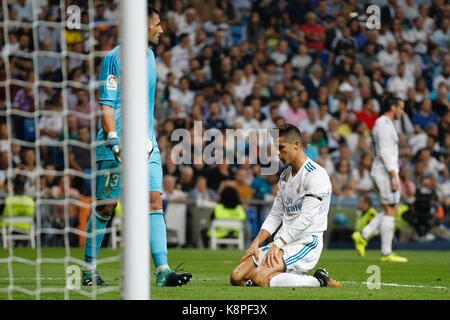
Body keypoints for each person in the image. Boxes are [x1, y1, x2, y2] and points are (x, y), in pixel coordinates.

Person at [81, 6, 192, 287]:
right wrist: (115, 140)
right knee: (106, 207)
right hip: (115, 146)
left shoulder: (150, 55)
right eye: (157, 24)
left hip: (146, 145)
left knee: (154, 201)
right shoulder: (114, 59)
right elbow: (106, 107)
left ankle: (163, 271)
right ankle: (87, 270)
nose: (161, 30)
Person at [229, 124, 341, 288]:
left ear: (296, 144)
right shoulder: (285, 176)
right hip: (282, 243)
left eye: (281, 148)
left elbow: (306, 219)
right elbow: (275, 215)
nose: (277, 153)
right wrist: (255, 244)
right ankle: (280, 275)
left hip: (306, 242)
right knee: (237, 277)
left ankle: (318, 280)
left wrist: (278, 244)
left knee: (260, 279)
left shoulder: (316, 175)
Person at [352, 93, 408, 262]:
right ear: (393, 107)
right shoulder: (383, 123)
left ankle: (364, 235)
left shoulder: (386, 123)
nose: (402, 112)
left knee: (390, 209)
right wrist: (393, 175)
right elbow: (384, 151)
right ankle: (385, 252)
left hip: (385, 170)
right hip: (385, 172)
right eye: (401, 108)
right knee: (392, 210)